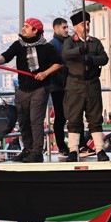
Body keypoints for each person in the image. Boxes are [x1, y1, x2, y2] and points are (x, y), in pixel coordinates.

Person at [0, 18, 63, 163]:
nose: (23, 28)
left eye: (27, 26)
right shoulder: (18, 45)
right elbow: (6, 56)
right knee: (23, 121)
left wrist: (45, 73)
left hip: (40, 88)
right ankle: (28, 149)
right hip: (22, 90)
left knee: (36, 121)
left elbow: (59, 63)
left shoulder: (46, 47)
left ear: (35, 31)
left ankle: (37, 152)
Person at [62, 10, 110, 162]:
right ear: (76, 27)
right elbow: (65, 54)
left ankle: (100, 149)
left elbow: (104, 58)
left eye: (88, 23)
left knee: (95, 118)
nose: (87, 26)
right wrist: (79, 50)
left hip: (92, 84)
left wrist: (92, 60)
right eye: (83, 24)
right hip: (75, 84)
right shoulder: (70, 41)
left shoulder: (95, 42)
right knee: (74, 119)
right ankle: (73, 150)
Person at [49, 18, 71, 158]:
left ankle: (76, 145)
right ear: (56, 29)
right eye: (64, 27)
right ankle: (62, 146)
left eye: (67, 27)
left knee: (74, 116)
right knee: (60, 117)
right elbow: (53, 68)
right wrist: (64, 82)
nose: (67, 30)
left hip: (70, 86)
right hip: (58, 87)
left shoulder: (69, 42)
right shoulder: (52, 45)